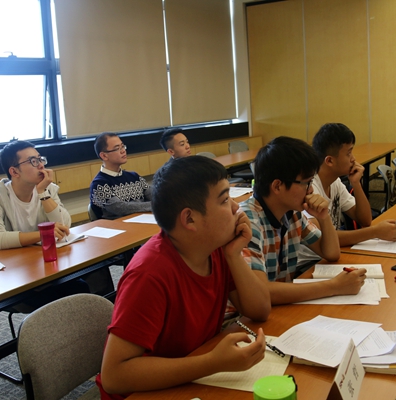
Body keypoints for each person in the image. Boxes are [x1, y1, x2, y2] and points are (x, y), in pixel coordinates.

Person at [98, 156, 271, 399]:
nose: (235, 208)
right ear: (189, 219)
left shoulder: (214, 248)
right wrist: (211, 362)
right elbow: (114, 376)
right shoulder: (149, 274)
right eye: (224, 200)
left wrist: (234, 255)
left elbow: (260, 310)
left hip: (190, 377)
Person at [240, 136, 365, 306]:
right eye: (306, 183)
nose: (311, 190)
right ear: (277, 186)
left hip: (281, 306)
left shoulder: (292, 213)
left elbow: (331, 253)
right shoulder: (248, 222)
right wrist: (334, 286)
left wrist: (324, 217)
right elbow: (261, 291)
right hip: (247, 315)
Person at [311, 123, 396, 246]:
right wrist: (374, 232)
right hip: (314, 257)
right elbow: (324, 239)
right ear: (330, 160)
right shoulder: (310, 188)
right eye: (348, 153)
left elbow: (365, 220)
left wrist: (356, 183)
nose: (353, 158)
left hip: (331, 252)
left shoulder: (335, 182)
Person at [0, 140, 71, 252]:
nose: (41, 165)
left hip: (37, 254)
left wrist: (43, 193)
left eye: (40, 159)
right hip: (8, 260)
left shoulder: (47, 188)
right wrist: (43, 234)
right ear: (14, 172)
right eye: (33, 161)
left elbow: (65, 225)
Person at [90, 133, 152, 220]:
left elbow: (154, 195)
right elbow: (120, 208)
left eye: (122, 146)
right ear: (104, 155)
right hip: (116, 226)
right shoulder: (99, 184)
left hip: (143, 221)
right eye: (117, 148)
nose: (123, 151)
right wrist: (155, 205)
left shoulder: (134, 176)